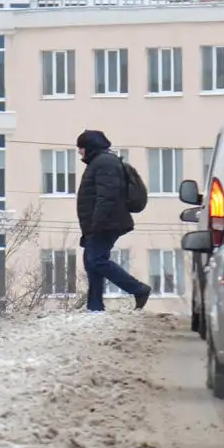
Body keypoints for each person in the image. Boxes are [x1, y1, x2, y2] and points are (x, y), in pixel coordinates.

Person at [75, 129, 152, 312]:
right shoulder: (100, 162)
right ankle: (94, 306)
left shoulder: (104, 163)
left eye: (81, 147)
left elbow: (106, 197)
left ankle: (138, 289)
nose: (79, 151)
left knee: (97, 260)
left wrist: (97, 224)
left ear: (89, 147)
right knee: (91, 261)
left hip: (106, 223)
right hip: (101, 222)